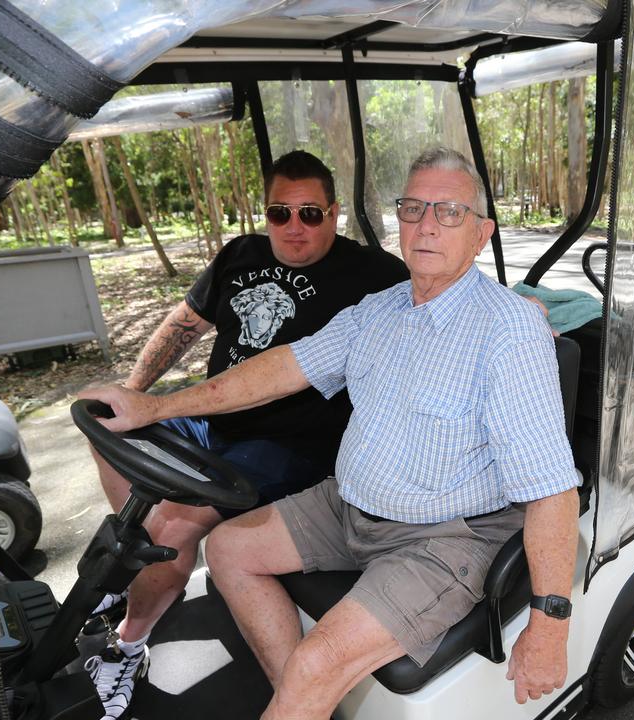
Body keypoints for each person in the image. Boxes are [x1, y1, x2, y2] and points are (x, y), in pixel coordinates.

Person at [82, 147, 580, 719]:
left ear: (481, 231)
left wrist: (550, 622)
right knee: (227, 547)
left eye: (448, 212)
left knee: (315, 666)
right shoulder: (381, 308)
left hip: (445, 534)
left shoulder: (509, 332)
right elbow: (279, 369)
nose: (426, 225)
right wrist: (154, 407)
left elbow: (550, 487)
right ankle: (303, 703)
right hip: (348, 505)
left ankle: (303, 694)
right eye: (414, 208)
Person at [81, 150, 408, 719]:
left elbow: (443, 291)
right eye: (280, 213)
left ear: (333, 214)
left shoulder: (372, 275)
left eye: (310, 214)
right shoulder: (241, 254)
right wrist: (135, 391)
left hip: (288, 446)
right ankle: (147, 562)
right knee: (99, 415)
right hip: (212, 420)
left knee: (175, 525)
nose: (295, 227)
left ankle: (127, 644)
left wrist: (515, 306)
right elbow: (186, 322)